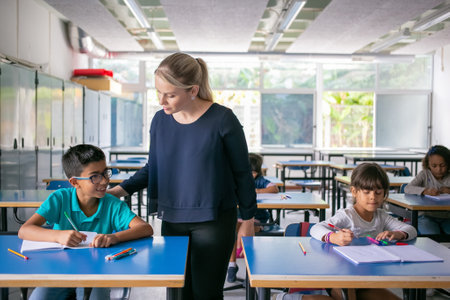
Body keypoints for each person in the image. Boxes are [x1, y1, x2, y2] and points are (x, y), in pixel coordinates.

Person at [107, 52, 257, 300]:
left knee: (205, 293)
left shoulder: (223, 119)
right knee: (177, 293)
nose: (161, 100)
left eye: (170, 95)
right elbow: (154, 167)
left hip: (214, 220)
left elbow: (242, 172)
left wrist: (249, 218)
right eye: (158, 92)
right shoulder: (159, 121)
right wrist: (119, 191)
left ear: (193, 90)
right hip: (173, 218)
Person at [18, 144, 153, 300]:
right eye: (95, 176)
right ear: (75, 182)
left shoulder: (111, 204)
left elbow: (145, 228)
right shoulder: (60, 198)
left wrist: (114, 237)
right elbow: (25, 230)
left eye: (105, 173)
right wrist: (58, 236)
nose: (105, 181)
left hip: (97, 272)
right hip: (59, 270)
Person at [309, 163, 417, 300]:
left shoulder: (382, 216)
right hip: (343, 274)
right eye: (367, 192)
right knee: (349, 293)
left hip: (368, 277)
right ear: (354, 192)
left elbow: (411, 229)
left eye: (378, 192)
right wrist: (333, 237)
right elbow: (316, 228)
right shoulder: (347, 215)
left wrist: (398, 234)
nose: (373, 197)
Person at [227, 153, 278, 283]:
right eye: (249, 172)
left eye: (254, 172)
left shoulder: (260, 181)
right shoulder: (235, 180)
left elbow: (274, 188)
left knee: (244, 232)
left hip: (257, 219)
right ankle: (232, 265)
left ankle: (250, 269)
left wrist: (255, 191)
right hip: (238, 218)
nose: (252, 175)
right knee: (232, 229)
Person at [404, 145, 450, 234]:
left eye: (442, 165)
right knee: (432, 234)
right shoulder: (424, 174)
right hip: (426, 216)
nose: (439, 169)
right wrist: (425, 191)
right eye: (434, 166)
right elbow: (407, 188)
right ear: (428, 164)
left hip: (447, 217)